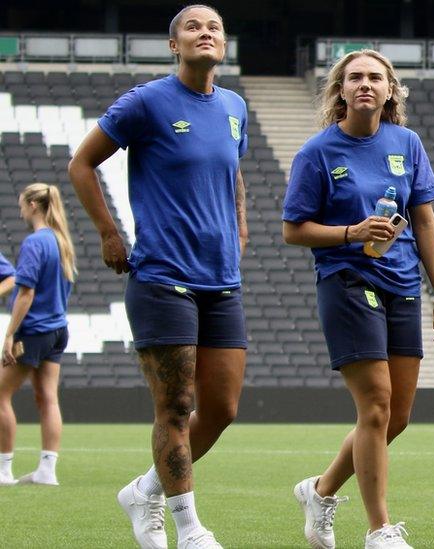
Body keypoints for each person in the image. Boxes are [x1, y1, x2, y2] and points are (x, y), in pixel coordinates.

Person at [68, 5, 248, 548]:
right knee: (176, 406)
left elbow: (233, 175)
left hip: (221, 280)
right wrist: (108, 233)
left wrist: (239, 228)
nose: (206, 33)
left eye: (214, 26)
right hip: (163, 276)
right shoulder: (146, 102)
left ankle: (145, 489)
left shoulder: (235, 106)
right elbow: (82, 163)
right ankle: (189, 528)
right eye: (193, 27)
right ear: (174, 45)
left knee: (222, 410)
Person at [282, 48, 434, 549]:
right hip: (347, 281)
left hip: (402, 285)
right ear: (340, 89)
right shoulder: (317, 152)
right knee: (376, 407)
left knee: (395, 416)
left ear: (389, 90)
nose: (364, 85)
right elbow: (294, 230)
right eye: (354, 77)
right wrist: (351, 232)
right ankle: (380, 528)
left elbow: (424, 220)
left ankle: (320, 491)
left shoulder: (408, 143)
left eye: (375, 78)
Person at [0, 183, 75, 488]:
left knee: (0, 395)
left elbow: (25, 292)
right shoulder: (61, 241)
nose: (20, 209)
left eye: (22, 203)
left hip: (33, 331)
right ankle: (47, 469)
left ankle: (3, 469)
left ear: (33, 205)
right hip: (58, 330)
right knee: (48, 398)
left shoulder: (35, 243)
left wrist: (10, 334)